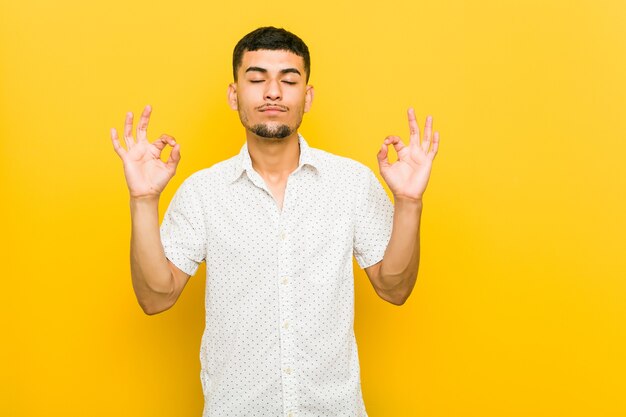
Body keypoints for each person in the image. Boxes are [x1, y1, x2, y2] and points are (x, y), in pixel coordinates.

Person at [110, 26, 439, 417]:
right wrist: (143, 199)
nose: (273, 92)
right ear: (234, 95)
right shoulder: (203, 192)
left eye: (288, 80)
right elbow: (154, 297)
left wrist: (409, 202)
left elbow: (394, 287)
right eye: (256, 78)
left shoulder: (351, 183)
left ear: (308, 96)